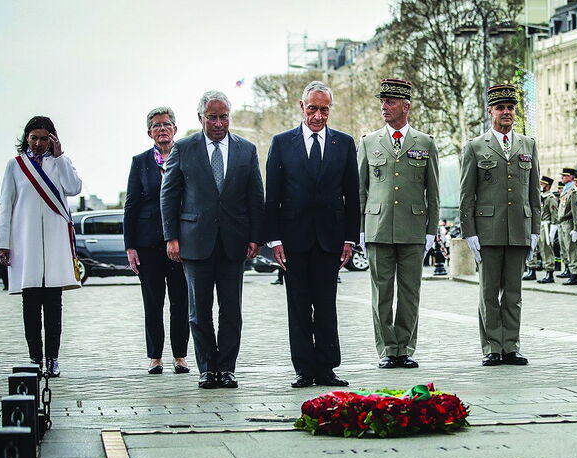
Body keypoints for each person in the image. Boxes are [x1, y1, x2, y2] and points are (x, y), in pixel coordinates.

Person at [160, 91, 264, 389]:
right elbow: (169, 196)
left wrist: (256, 237)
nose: (218, 123)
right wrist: (171, 237)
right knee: (199, 310)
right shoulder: (183, 148)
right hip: (195, 243)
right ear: (200, 118)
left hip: (234, 243)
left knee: (231, 310)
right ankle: (207, 368)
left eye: (223, 117)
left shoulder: (246, 149)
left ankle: (227, 368)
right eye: (212, 117)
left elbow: (256, 196)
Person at [265, 81, 360, 387]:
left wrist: (350, 238)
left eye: (324, 109)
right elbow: (273, 195)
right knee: (298, 305)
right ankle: (304, 369)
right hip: (294, 240)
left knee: (327, 304)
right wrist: (275, 240)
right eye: (313, 108)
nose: (318, 116)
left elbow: (352, 195)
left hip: (330, 239)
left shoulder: (344, 143)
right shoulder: (281, 143)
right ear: (301, 106)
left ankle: (327, 367)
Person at [358, 78, 439, 369]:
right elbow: (361, 189)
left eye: (390, 102)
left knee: (409, 293)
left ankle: (405, 348)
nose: (384, 107)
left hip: (413, 229)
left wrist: (431, 231)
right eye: (382, 102)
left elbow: (434, 191)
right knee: (381, 294)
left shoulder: (425, 142)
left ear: (406, 106)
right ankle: (387, 349)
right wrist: (361, 229)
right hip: (378, 227)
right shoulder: (368, 142)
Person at [460, 83, 540, 366]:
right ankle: (492, 346)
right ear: (490, 111)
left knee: (514, 294)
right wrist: (469, 233)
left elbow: (534, 193)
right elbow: (467, 195)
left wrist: (535, 231)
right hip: (488, 231)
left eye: (510, 108)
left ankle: (511, 346)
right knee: (489, 293)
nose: (506, 112)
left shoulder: (527, 145)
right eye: (501, 108)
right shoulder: (475, 146)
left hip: (519, 228)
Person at [0, 116, 82, 377]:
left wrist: (60, 157)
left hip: (55, 246)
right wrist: (3, 244)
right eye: (34, 138)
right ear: (26, 138)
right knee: (30, 306)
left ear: (52, 139)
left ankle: (53, 358)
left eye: (44, 138)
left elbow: (73, 188)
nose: (38, 143)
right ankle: (35, 358)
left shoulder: (59, 163)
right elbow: (7, 206)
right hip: (26, 245)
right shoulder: (15, 165)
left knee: (54, 306)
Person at [123, 106, 190, 376]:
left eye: (167, 124)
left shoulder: (186, 156)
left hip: (180, 243)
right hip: (148, 243)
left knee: (181, 302)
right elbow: (131, 205)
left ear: (175, 128)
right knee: (153, 302)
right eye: (156, 125)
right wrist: (130, 246)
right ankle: (155, 358)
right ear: (149, 132)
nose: (162, 129)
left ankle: (180, 357)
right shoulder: (140, 162)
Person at [536, 175, 558, 283]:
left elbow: (554, 212)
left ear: (548, 186)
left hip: (547, 225)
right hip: (541, 225)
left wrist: (554, 226)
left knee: (547, 249)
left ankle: (550, 272)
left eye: (542, 184)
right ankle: (546, 271)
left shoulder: (550, 198)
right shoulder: (542, 197)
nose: (541, 186)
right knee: (542, 249)